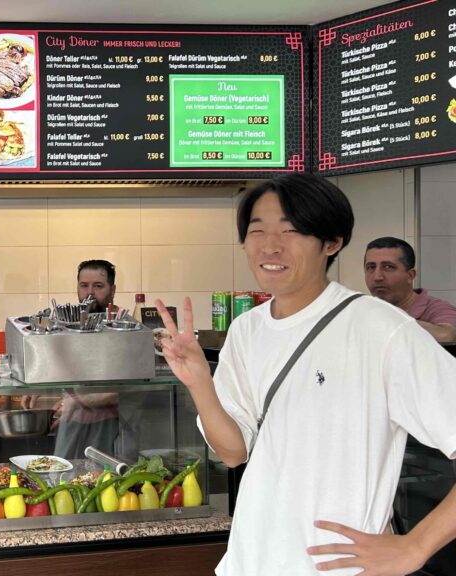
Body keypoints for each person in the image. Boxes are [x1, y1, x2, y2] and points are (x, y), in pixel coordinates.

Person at [154, 173, 456, 575]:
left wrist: (415, 546)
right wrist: (199, 384)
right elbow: (232, 452)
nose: (270, 246)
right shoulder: (247, 330)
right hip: (249, 562)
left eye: (291, 230)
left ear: (332, 242)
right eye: (257, 230)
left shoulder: (380, 328)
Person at [22, 259, 120, 460]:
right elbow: (64, 366)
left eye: (98, 286)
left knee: (104, 477)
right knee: (64, 474)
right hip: (72, 421)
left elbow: (128, 392)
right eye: (84, 286)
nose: (90, 293)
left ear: (112, 290)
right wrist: (40, 382)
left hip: (109, 425)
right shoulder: (70, 324)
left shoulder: (123, 327)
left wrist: (79, 401)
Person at [364, 236, 456, 342]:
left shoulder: (437, 309)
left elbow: (446, 335)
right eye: (371, 267)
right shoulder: (363, 310)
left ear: (410, 275)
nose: (377, 277)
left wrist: (388, 319)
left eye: (388, 267)